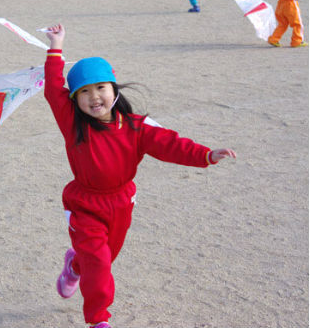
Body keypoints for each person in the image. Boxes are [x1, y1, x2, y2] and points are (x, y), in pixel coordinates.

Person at [43, 24, 236, 328]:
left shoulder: (136, 128)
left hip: (120, 204)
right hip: (85, 204)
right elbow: (53, 89)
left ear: (114, 90)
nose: (94, 97)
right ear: (75, 100)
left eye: (100, 88)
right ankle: (98, 320)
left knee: (103, 258)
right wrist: (56, 46)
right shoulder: (73, 125)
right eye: (84, 92)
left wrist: (205, 155)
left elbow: (171, 144)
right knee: (99, 263)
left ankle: (73, 266)